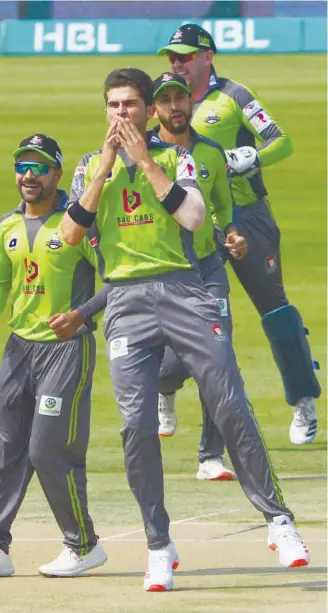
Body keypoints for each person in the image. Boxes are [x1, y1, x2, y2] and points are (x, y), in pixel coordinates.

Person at [62, 68, 310, 592]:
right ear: (105, 110)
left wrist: (147, 162)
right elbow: (69, 233)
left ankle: (278, 520)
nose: (121, 114)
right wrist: (108, 163)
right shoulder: (89, 165)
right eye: (113, 105)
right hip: (127, 301)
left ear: (149, 111)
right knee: (134, 428)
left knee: (229, 403)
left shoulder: (180, 157)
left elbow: (196, 216)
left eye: (131, 105)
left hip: (186, 291)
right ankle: (158, 544)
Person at [158, 24, 321, 445]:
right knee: (189, 316)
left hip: (248, 216)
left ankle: (304, 400)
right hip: (192, 223)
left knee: (276, 310)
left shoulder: (234, 96)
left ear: (207, 56)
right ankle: (165, 387)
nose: (177, 63)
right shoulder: (163, 100)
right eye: (173, 56)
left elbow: (281, 142)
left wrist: (250, 158)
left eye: (186, 55)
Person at [0, 135, 107, 579]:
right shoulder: (6, 225)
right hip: (19, 349)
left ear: (58, 175)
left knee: (47, 450)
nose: (28, 175)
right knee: (7, 448)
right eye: (22, 166)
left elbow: (117, 280)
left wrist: (82, 315)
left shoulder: (77, 223)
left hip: (65, 350)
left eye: (39, 167)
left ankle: (83, 545)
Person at [153, 71, 247, 480]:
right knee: (169, 368)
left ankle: (211, 456)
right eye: (165, 100)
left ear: (191, 101)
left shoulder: (210, 152)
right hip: (168, 272)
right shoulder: (145, 156)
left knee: (218, 357)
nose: (175, 106)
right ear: (154, 108)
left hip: (209, 269)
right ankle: (165, 388)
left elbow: (223, 206)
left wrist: (232, 233)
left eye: (180, 97)